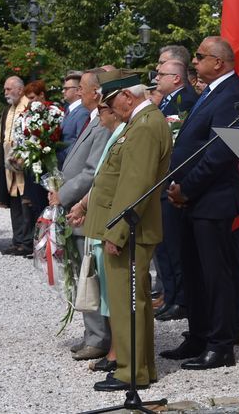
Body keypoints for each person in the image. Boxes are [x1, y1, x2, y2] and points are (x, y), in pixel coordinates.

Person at [161, 36, 239, 370]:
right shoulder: (212, 91)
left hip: (212, 200)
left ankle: (221, 343)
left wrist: (186, 188)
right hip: (191, 200)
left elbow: (220, 153)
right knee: (194, 272)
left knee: (216, 275)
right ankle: (199, 335)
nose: (194, 62)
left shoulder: (234, 95)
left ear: (218, 62)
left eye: (199, 56)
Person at [80, 77, 172, 391]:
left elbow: (135, 186)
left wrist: (116, 233)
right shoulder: (142, 122)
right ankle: (140, 368)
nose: (109, 109)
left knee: (127, 302)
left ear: (126, 97)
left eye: (110, 102)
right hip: (130, 229)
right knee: (133, 301)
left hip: (131, 231)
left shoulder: (144, 126)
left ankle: (130, 371)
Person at [50, 69, 113, 363]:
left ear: (95, 93)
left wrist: (63, 194)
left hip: (86, 208)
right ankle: (93, 334)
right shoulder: (93, 120)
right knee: (83, 272)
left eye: (83, 89)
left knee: (91, 274)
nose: (80, 93)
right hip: (77, 206)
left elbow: (92, 171)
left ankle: (99, 338)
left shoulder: (102, 124)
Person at [67, 99, 126, 373]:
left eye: (104, 108)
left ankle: (115, 349)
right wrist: (82, 204)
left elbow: (99, 175)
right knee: (96, 277)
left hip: (108, 218)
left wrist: (76, 200)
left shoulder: (120, 132)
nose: (100, 113)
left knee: (108, 283)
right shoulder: (109, 129)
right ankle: (110, 346)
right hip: (93, 209)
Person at [152, 57, 198, 322]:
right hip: (162, 181)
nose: (156, 78)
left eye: (161, 74)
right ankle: (170, 295)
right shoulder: (168, 101)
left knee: (174, 245)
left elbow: (176, 141)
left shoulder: (185, 101)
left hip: (172, 181)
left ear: (176, 78)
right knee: (164, 246)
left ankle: (181, 298)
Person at [0, 76, 35, 256]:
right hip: (8, 165)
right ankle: (17, 240)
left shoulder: (30, 107)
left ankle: (27, 242)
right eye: (5, 89)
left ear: (20, 89)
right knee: (14, 202)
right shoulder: (8, 110)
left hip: (24, 164)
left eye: (8, 89)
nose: (5, 93)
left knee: (26, 202)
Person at [57, 71, 89, 167]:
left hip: (71, 165)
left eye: (66, 89)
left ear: (78, 90)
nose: (63, 91)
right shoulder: (69, 109)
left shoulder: (83, 112)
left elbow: (81, 143)